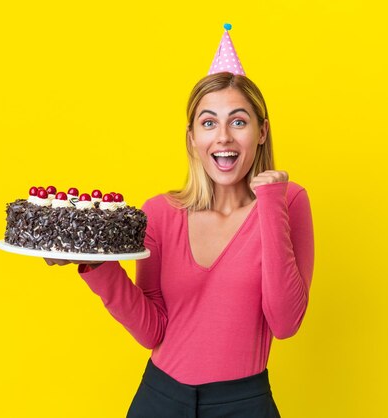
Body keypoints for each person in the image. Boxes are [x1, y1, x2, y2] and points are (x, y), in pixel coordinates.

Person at [45, 26, 314, 418]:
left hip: (244, 404)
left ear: (261, 132)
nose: (223, 136)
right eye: (208, 123)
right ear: (192, 139)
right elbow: (151, 331)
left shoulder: (289, 201)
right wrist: (95, 264)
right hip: (160, 398)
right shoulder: (159, 212)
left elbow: (285, 322)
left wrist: (270, 204)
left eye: (238, 122)